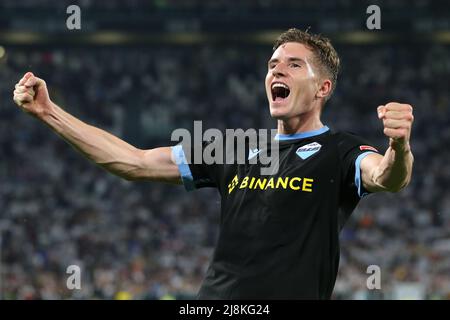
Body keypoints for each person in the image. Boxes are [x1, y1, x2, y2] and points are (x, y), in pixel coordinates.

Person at [12, 28, 414, 299]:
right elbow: (132, 161)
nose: (277, 69)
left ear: (322, 88)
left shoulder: (341, 150)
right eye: (273, 64)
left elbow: (387, 177)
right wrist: (50, 113)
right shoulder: (232, 147)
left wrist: (399, 145)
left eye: (293, 64)